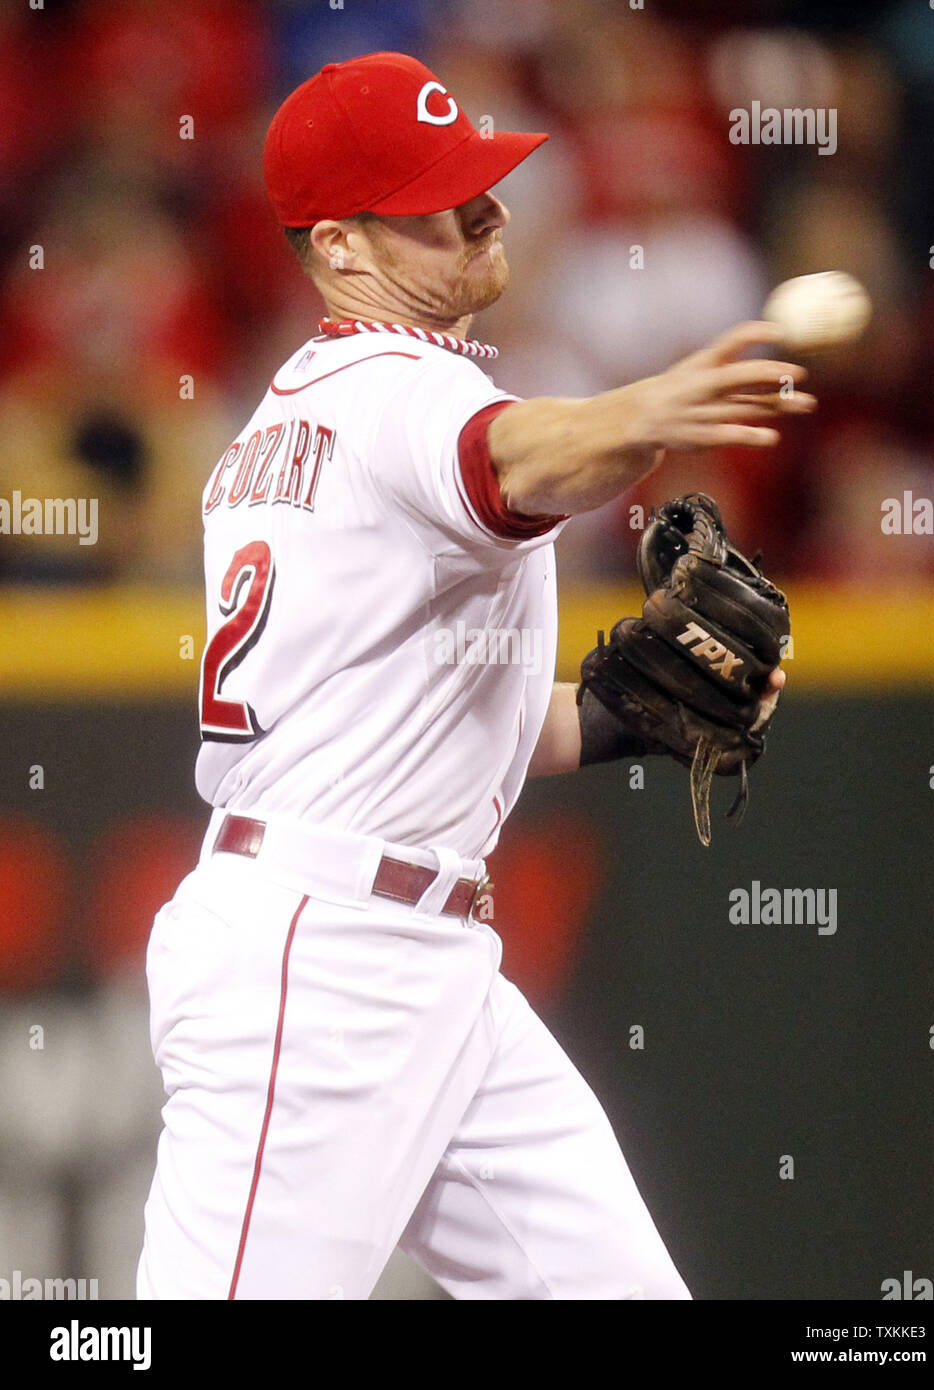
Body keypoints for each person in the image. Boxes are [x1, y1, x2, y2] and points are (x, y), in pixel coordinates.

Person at [137, 51, 811, 1301]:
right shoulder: (401, 391)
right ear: (340, 247)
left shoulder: (284, 424)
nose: (487, 208)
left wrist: (619, 715)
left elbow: (424, 724)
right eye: (438, 198)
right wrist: (647, 406)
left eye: (480, 179)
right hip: (323, 964)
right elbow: (512, 457)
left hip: (412, 946)